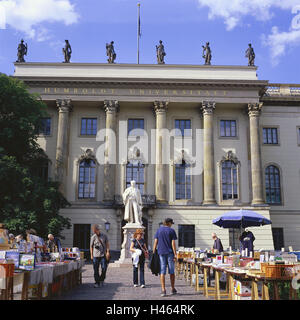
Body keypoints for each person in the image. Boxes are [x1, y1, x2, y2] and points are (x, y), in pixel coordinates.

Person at [153, 218, 177, 297]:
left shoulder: (159, 230)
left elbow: (155, 242)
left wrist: (154, 252)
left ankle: (163, 290)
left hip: (161, 252)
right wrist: (175, 254)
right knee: (171, 271)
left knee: (162, 271)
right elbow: (173, 244)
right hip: (170, 252)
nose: (171, 224)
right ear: (169, 223)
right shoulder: (171, 231)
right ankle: (173, 288)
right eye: (171, 223)